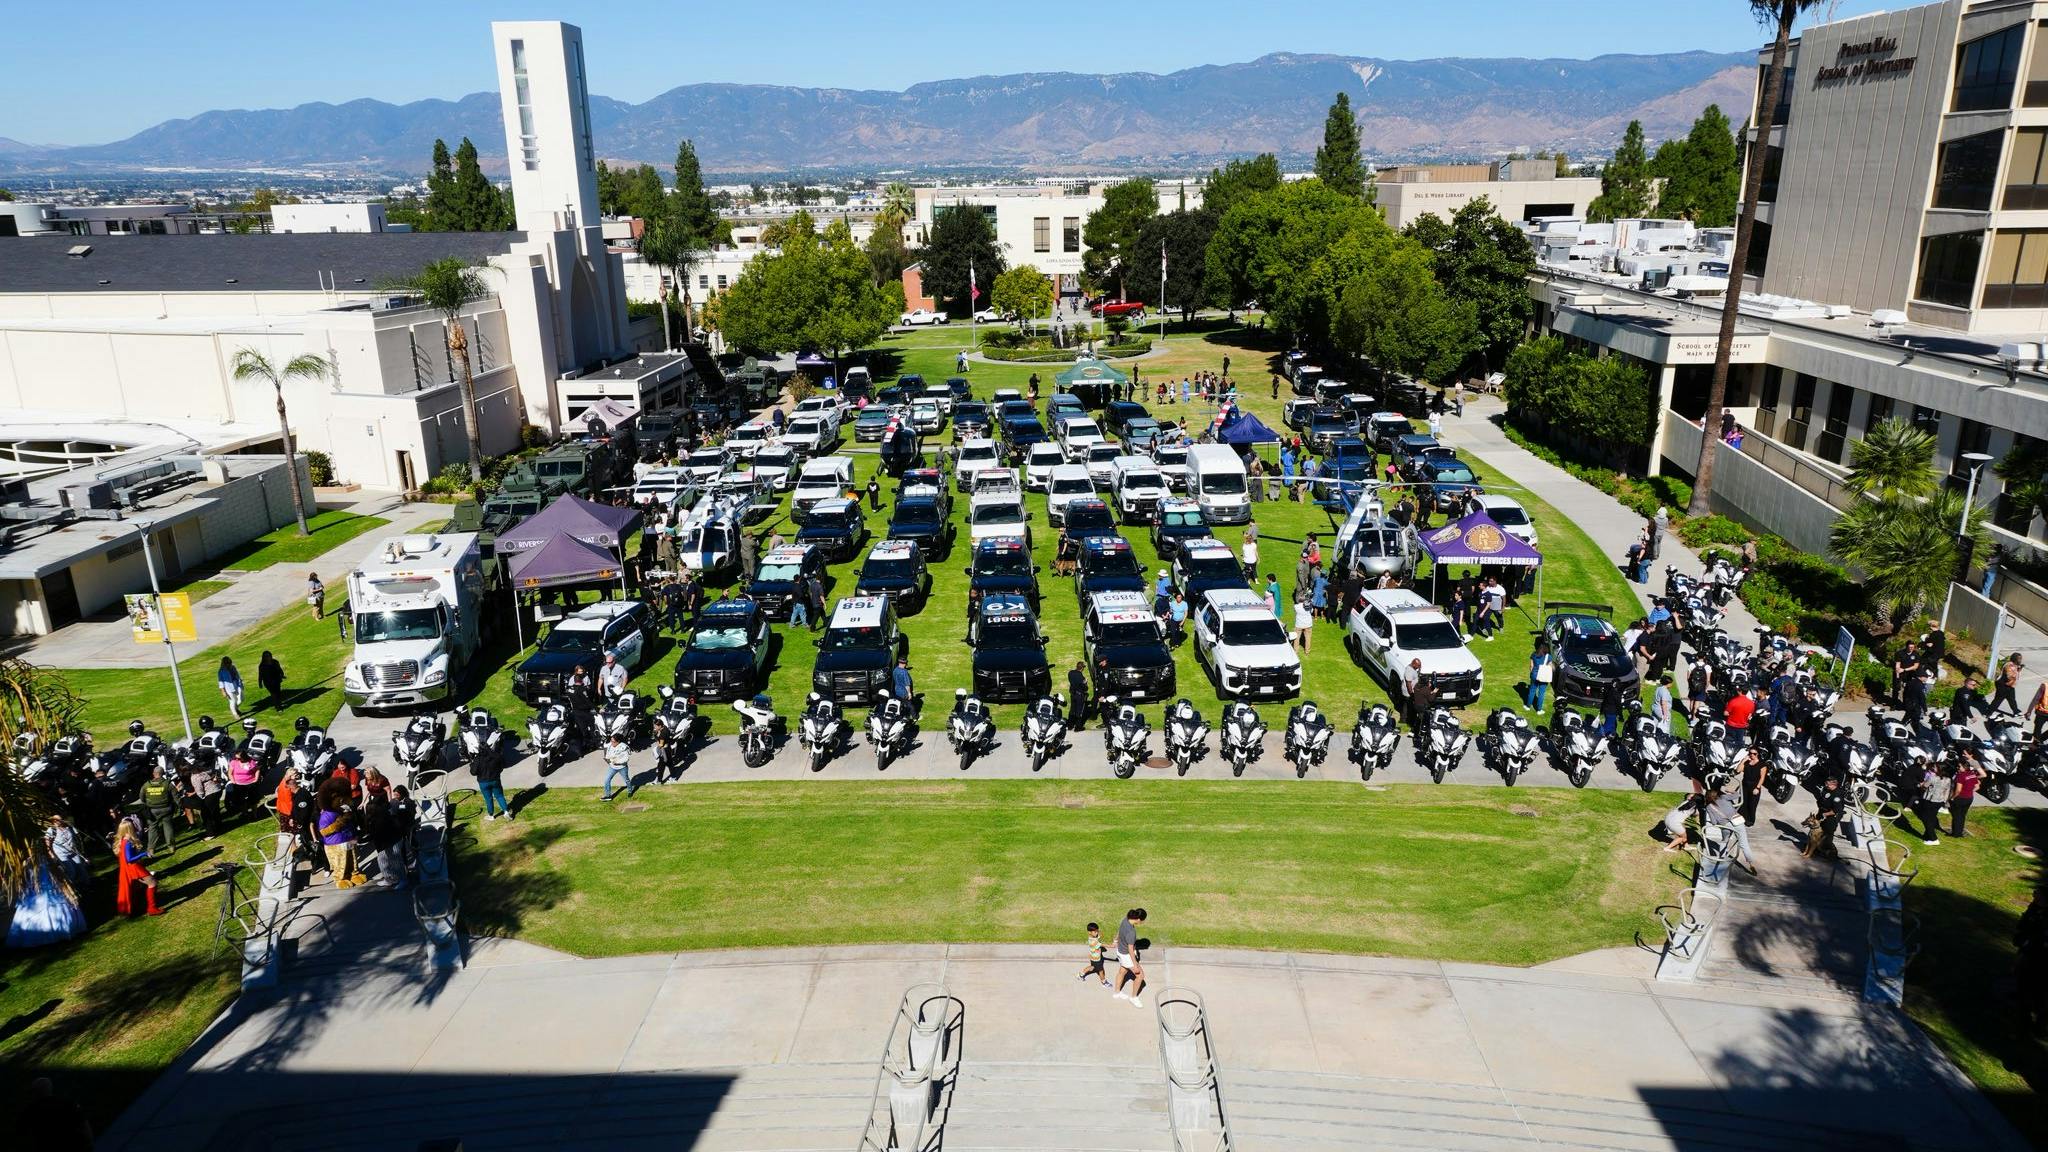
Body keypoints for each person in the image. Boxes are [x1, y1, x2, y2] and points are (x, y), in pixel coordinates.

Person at [14, 1077, 93, 1151]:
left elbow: (21, 1132)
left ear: (35, 1092)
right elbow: (84, 1124)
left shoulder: (31, 1109)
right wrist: (88, 1142)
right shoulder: (67, 1103)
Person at [114, 816, 166, 916]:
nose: (134, 826)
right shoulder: (127, 842)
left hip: (131, 868)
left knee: (139, 887)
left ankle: (140, 907)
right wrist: (144, 854)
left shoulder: (124, 841)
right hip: (134, 868)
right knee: (152, 883)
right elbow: (129, 859)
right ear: (128, 829)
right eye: (132, 826)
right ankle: (152, 908)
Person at [318, 779, 363, 887]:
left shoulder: (343, 810)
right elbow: (324, 832)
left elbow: (351, 822)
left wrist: (354, 832)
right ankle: (340, 879)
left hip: (349, 839)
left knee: (352, 859)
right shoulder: (326, 815)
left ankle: (354, 874)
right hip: (336, 843)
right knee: (340, 863)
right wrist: (338, 824)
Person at [1803, 775, 1846, 861]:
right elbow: (1821, 799)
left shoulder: (1837, 796)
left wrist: (1825, 814)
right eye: (1826, 783)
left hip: (1831, 818)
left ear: (1834, 785)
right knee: (1816, 834)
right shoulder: (1826, 790)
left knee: (1827, 837)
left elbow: (1836, 810)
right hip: (1822, 813)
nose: (1826, 785)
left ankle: (1829, 855)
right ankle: (1815, 849)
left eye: (1828, 784)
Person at [1112, 907, 1149, 1008]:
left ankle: (1116, 993)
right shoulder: (1131, 932)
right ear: (1138, 919)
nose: (1141, 922)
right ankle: (1133, 997)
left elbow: (1119, 932)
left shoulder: (1125, 919)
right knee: (1140, 976)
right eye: (1142, 921)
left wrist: (1115, 940)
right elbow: (1131, 950)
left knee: (1122, 971)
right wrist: (1135, 964)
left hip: (1120, 951)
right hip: (1126, 955)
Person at [45, 814, 89, 890]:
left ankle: (86, 886)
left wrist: (81, 849)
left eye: (60, 819)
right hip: (61, 854)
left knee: (82, 869)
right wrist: (51, 854)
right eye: (56, 820)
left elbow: (77, 837)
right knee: (71, 871)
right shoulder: (51, 830)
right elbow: (48, 842)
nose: (59, 821)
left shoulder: (69, 827)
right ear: (53, 821)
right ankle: (72, 889)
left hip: (74, 852)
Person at [1916, 763, 1951, 846]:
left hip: (1929, 800)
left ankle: (1934, 839)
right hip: (1940, 801)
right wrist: (1944, 801)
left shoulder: (1933, 778)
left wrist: (1921, 785)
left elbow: (1924, 786)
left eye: (1935, 767)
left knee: (1925, 819)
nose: (1933, 768)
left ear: (1939, 769)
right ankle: (1927, 835)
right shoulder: (1948, 779)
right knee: (1931, 818)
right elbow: (1947, 791)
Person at [1952, 751, 1982, 838]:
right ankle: (1960, 832)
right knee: (1962, 816)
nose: (1958, 768)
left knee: (1956, 816)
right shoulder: (1972, 774)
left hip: (1960, 798)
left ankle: (1956, 834)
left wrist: (1952, 797)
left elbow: (1958, 790)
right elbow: (1977, 787)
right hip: (1969, 798)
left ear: (1964, 767)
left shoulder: (1961, 776)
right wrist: (1969, 790)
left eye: (1959, 766)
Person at [1737, 744, 1767, 828]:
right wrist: (1743, 760)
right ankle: (1742, 818)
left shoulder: (1762, 764)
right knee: (1743, 802)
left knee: (1752, 804)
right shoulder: (1747, 762)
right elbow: (1738, 770)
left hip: (1754, 786)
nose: (1752, 755)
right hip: (1745, 785)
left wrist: (1757, 787)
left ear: (1758, 754)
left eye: (1754, 753)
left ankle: (1750, 820)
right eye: (1750, 753)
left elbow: (1762, 777)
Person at [601, 731, 636, 801]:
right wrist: (608, 759)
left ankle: (630, 790)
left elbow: (626, 759)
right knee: (607, 780)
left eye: (613, 742)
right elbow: (608, 754)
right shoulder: (611, 746)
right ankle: (608, 796)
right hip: (612, 767)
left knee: (626, 780)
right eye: (611, 741)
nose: (612, 743)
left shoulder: (624, 747)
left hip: (622, 767)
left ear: (618, 741)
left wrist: (616, 761)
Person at [1077, 921, 1111, 988]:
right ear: (1090, 932)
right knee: (1101, 971)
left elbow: (1100, 936)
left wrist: (1098, 931)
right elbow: (1103, 945)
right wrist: (1112, 945)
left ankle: (1080, 975)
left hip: (1093, 957)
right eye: (1095, 932)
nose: (1097, 933)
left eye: (1097, 931)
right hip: (1097, 959)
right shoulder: (1094, 942)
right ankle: (1104, 982)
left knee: (1092, 967)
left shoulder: (1092, 937)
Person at [1526, 641, 1553, 714]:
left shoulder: (1534, 654)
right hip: (1543, 677)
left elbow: (1531, 666)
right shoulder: (1549, 657)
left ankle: (1528, 706)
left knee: (1532, 691)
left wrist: (1532, 674)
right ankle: (1539, 710)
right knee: (1541, 693)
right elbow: (1550, 667)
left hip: (1534, 675)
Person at [1068, 661, 1091, 732]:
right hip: (1079, 695)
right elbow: (1085, 688)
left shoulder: (1070, 673)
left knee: (1072, 710)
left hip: (1072, 693)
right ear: (1082, 668)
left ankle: (1070, 725)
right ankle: (1078, 727)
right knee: (1079, 711)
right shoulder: (1081, 677)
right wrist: (1085, 683)